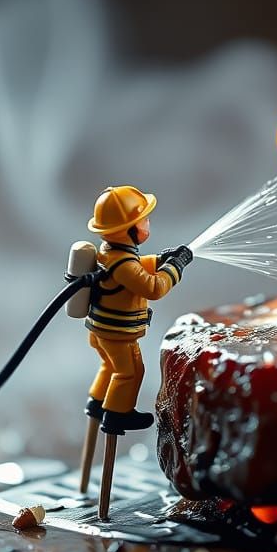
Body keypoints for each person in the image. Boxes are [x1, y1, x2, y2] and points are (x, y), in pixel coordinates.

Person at [84, 186, 193, 436]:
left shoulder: (110, 252)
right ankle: (116, 415)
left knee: (110, 368)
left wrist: (159, 260)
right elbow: (153, 287)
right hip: (117, 335)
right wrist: (175, 267)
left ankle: (97, 403)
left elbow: (134, 264)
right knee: (130, 371)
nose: (147, 223)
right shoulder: (123, 264)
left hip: (101, 331)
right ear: (127, 229)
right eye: (143, 219)